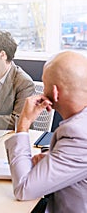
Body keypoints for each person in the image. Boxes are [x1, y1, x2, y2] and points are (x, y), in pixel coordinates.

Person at [5, 51, 87, 212]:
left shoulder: (77, 134)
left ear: (55, 92)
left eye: (44, 84)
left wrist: (24, 124)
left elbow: (23, 189)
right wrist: (52, 156)